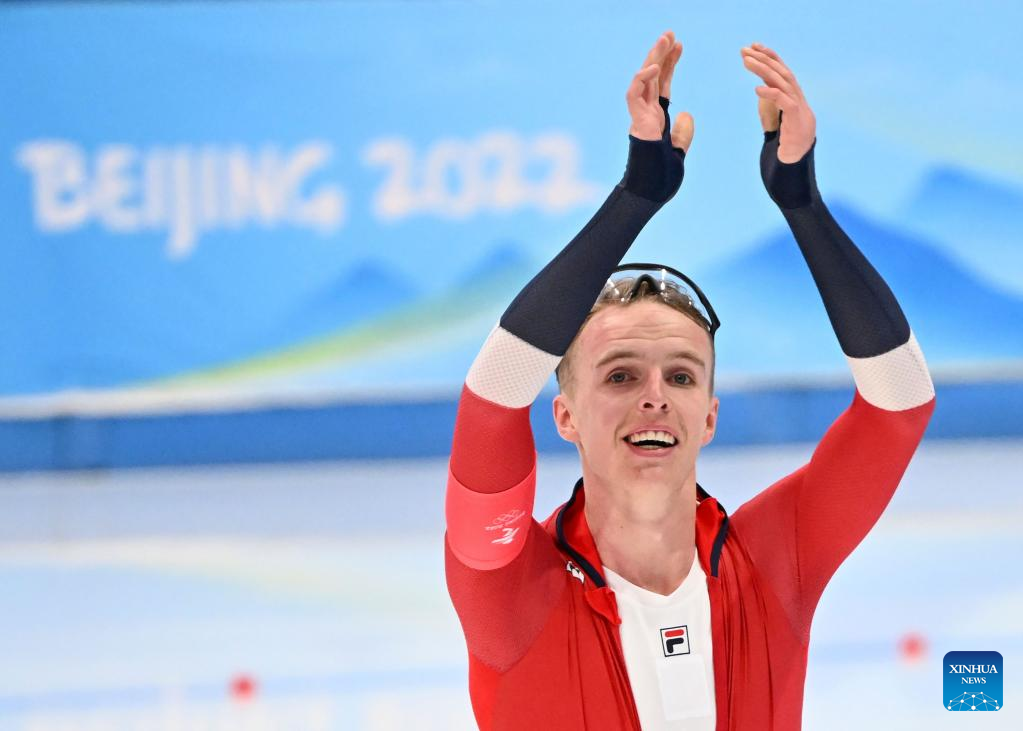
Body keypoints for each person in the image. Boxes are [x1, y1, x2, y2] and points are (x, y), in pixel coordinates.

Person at [444, 30, 935, 730]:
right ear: (565, 415)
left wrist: (802, 204)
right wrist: (634, 198)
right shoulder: (508, 588)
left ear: (708, 415)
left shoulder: (775, 561)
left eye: (680, 375)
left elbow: (899, 404)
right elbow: (493, 396)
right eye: (620, 374)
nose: (654, 396)